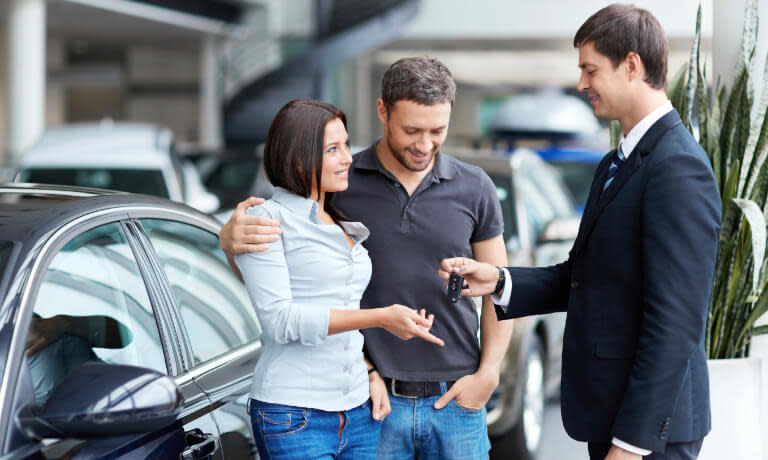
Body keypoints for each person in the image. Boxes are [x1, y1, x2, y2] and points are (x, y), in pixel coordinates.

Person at [438, 5, 721, 460]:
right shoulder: (615, 163)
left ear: (631, 65)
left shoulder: (678, 167)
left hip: (648, 434)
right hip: (612, 415)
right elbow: (584, 275)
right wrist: (499, 280)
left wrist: (631, 446)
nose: (581, 84)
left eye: (590, 69)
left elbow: (675, 322)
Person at [220, 58, 512, 459]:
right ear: (382, 112)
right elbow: (281, 277)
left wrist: (489, 373)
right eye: (411, 130)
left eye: (437, 131)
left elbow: (501, 289)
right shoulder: (339, 179)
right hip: (372, 403)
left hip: (457, 399)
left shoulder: (475, 186)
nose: (424, 144)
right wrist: (228, 240)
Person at [235, 99, 445, 460]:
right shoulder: (267, 221)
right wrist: (381, 317)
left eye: (346, 145)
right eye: (333, 149)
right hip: (295, 414)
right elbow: (280, 321)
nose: (348, 157)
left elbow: (344, 307)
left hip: (358, 410)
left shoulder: (339, 220)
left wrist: (369, 372)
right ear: (297, 158)